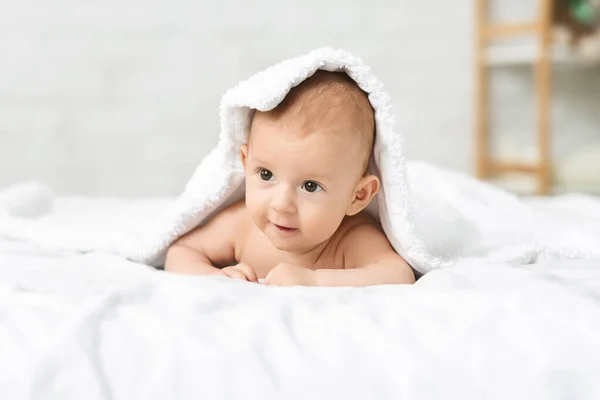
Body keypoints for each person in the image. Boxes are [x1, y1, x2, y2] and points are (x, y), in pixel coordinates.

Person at [164, 70, 415, 287]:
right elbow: (181, 252)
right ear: (245, 162)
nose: (281, 204)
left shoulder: (350, 239)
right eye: (266, 174)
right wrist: (216, 276)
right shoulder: (242, 225)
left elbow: (399, 274)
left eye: (310, 186)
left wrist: (315, 281)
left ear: (357, 196)